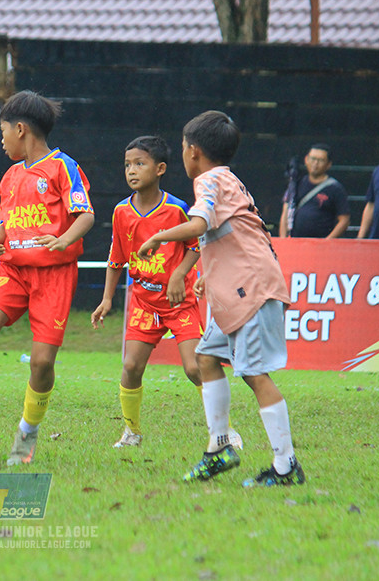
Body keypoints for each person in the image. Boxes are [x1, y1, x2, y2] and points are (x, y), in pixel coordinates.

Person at [138, 110, 304, 487]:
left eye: (183, 149)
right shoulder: (228, 178)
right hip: (236, 289)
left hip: (252, 290)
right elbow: (225, 234)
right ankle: (219, 449)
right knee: (207, 359)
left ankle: (286, 465)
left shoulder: (209, 180)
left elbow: (199, 224)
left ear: (193, 152)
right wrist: (205, 277)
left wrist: (158, 237)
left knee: (253, 373)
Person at [0, 90, 95, 466]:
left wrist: (62, 241)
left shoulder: (64, 168)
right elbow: (3, 224)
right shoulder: (10, 176)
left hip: (54, 274)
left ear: (21, 129)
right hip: (13, 270)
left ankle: (27, 433)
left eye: (3, 131)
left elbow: (86, 216)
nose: (2, 139)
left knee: (41, 363)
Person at [91, 136, 241, 450]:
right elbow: (116, 258)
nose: (132, 171)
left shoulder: (176, 209)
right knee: (131, 367)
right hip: (143, 303)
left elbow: (195, 246)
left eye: (140, 164)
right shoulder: (121, 212)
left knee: (194, 367)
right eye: (128, 165)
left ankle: (224, 429)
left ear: (160, 169)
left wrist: (179, 274)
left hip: (178, 302)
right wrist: (107, 299)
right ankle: (131, 432)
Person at [278, 144, 350, 239]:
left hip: (321, 248)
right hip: (295, 244)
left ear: (328, 164)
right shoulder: (296, 184)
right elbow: (285, 212)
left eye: (320, 160)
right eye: (313, 159)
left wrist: (328, 241)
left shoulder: (335, 188)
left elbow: (344, 220)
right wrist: (283, 241)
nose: (315, 163)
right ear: (306, 159)